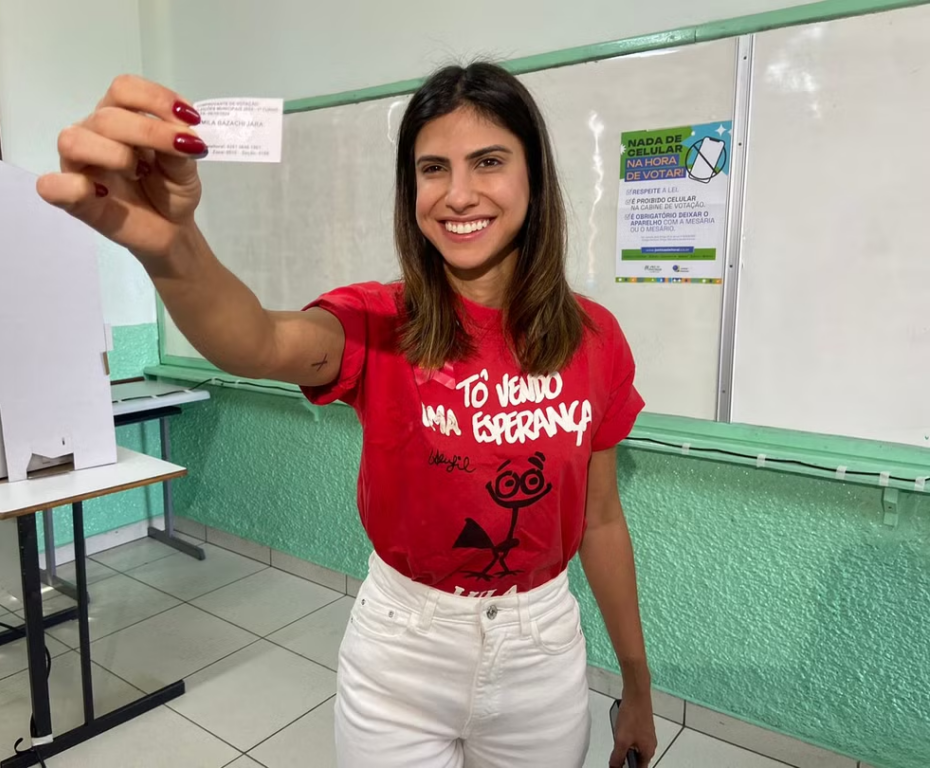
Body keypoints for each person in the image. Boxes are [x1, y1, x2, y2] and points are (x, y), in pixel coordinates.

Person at [38, 61, 658, 768]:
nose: (458, 195)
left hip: (542, 652)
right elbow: (260, 341)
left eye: (488, 161)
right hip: (403, 648)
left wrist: (637, 686)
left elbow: (602, 520)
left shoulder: (595, 339)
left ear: (533, 179)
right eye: (432, 169)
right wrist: (176, 251)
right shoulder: (379, 321)